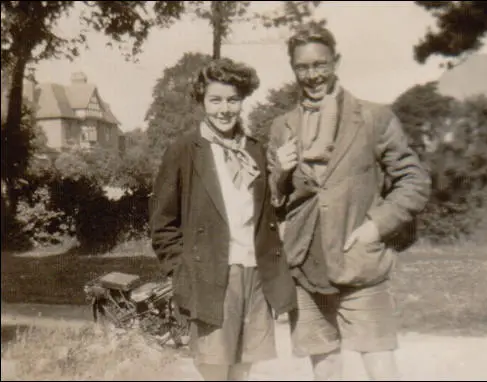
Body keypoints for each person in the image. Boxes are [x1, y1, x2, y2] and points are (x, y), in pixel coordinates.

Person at [266, 23, 431, 381]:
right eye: (303, 67)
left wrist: (376, 226)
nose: (312, 75)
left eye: (320, 64)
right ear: (293, 68)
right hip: (304, 265)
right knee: (324, 369)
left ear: (336, 61)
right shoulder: (282, 126)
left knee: (380, 367)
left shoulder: (373, 117)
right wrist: (279, 173)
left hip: (359, 263)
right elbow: (275, 202)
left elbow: (414, 181)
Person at [149, 57, 297, 381]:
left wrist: (282, 176)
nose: (224, 109)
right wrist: (182, 271)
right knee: (215, 372)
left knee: (242, 373)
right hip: (212, 277)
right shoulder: (185, 150)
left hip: (256, 275)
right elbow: (162, 224)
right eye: (215, 100)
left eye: (232, 100)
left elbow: (272, 213)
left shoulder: (255, 151)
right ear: (202, 101)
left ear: (242, 100)